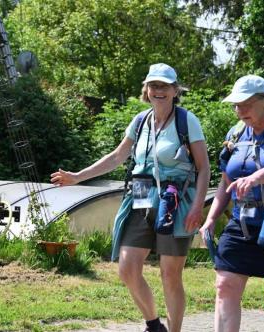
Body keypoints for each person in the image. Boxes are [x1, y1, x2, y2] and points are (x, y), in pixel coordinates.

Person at [51, 63, 210, 332]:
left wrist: (197, 207)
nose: (158, 90)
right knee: (127, 268)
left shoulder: (186, 121)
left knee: (170, 275)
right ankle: (153, 324)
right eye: (153, 85)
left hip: (176, 198)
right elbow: (116, 157)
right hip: (141, 195)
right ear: (146, 90)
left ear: (174, 90)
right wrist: (78, 176)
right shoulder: (140, 121)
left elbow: (204, 167)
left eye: (164, 86)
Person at [199, 75, 264, 332]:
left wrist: (254, 178)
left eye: (246, 104)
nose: (239, 110)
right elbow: (226, 183)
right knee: (225, 285)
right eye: (236, 105)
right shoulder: (235, 133)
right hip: (243, 222)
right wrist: (211, 218)